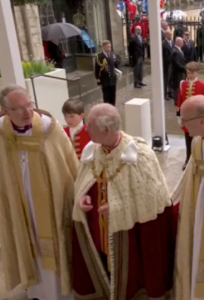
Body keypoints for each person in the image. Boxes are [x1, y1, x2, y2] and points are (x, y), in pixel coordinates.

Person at [72, 103, 179, 300]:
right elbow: (85, 181)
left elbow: (152, 198)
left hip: (130, 235)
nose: (85, 129)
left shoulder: (140, 154)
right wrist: (83, 196)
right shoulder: (92, 149)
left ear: (106, 129)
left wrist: (120, 208)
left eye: (90, 125)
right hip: (99, 230)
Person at [0, 85, 79, 300]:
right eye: (19, 108)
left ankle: (62, 292)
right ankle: (36, 290)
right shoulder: (0, 130)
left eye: (29, 104)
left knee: (53, 240)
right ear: (5, 110)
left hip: (49, 199)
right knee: (29, 239)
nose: (27, 111)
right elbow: (0, 165)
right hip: (19, 197)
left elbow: (68, 162)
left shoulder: (48, 126)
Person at [172, 95, 204, 300]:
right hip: (199, 212)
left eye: (185, 121)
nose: (182, 127)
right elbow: (187, 177)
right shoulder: (197, 142)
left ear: (202, 121)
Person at [176, 62, 204, 170]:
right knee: (187, 140)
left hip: (197, 119)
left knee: (197, 141)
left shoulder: (202, 86)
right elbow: (179, 101)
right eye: (187, 73)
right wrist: (179, 116)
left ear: (197, 73)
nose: (189, 75)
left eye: (191, 73)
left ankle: (197, 160)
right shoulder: (183, 85)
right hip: (186, 119)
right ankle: (188, 159)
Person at [95, 40, 121, 106]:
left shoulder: (113, 54)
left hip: (112, 79)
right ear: (103, 47)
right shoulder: (99, 56)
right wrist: (98, 80)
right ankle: (106, 109)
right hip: (104, 80)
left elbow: (116, 67)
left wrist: (118, 74)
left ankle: (112, 108)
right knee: (106, 96)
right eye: (107, 47)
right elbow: (96, 70)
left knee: (113, 96)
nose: (109, 49)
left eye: (110, 47)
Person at [170, 37, 186, 106]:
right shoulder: (175, 51)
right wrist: (185, 68)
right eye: (182, 42)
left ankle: (180, 99)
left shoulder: (179, 50)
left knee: (180, 86)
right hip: (177, 73)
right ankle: (176, 101)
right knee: (177, 87)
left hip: (180, 72)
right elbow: (177, 64)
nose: (183, 43)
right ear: (178, 42)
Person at [162, 30, 174, 100]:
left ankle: (170, 92)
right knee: (166, 79)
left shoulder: (172, 42)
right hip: (166, 64)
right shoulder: (163, 43)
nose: (170, 36)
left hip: (172, 64)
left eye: (171, 35)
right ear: (166, 35)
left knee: (171, 79)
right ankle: (165, 94)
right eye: (169, 35)